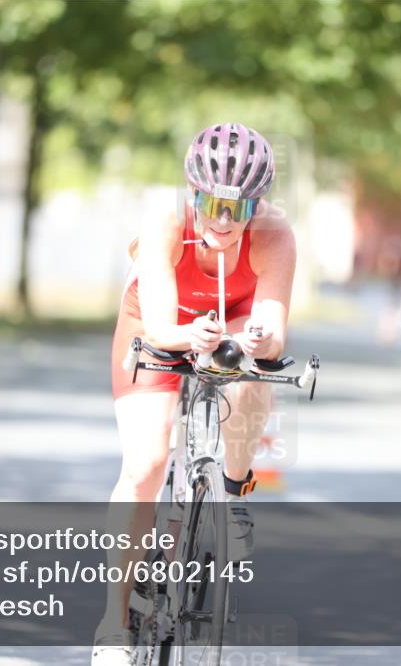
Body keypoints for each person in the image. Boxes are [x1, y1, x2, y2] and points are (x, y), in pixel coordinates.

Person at [92, 124, 296, 665]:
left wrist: (254, 340)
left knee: (258, 377)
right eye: (210, 203)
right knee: (146, 463)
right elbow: (159, 328)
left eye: (238, 207)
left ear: (258, 205)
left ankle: (231, 493)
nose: (223, 221)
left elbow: (275, 329)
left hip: (233, 327)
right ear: (191, 193)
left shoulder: (275, 235)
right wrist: (189, 337)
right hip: (157, 325)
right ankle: (113, 623)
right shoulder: (166, 221)